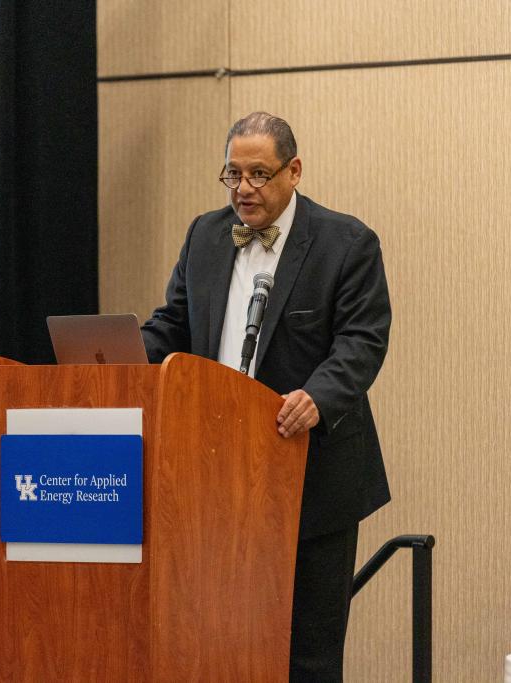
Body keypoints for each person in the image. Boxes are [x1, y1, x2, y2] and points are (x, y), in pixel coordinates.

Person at [140, 111, 392, 681]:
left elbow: (362, 339)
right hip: (216, 474)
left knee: (307, 652)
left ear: (294, 171)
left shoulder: (345, 241)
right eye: (232, 175)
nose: (243, 190)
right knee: (222, 641)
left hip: (311, 474)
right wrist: (121, 357)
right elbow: (175, 324)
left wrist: (319, 397)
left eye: (258, 174)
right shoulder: (205, 234)